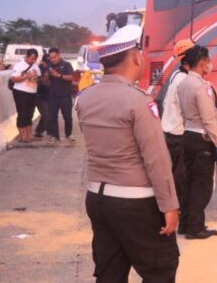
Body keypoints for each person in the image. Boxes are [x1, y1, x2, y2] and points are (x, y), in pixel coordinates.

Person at [75, 25, 180, 282]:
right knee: (159, 269)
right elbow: (156, 159)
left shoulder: (84, 98)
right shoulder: (139, 101)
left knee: (110, 271)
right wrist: (169, 204)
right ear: (134, 57)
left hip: (97, 199)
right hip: (135, 202)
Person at [177, 45, 217, 240]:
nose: (210, 65)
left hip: (188, 135)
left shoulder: (184, 83)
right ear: (202, 63)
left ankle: (185, 224)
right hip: (201, 139)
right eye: (208, 61)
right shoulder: (202, 86)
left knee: (189, 182)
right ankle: (195, 228)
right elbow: (208, 119)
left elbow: (183, 113)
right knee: (202, 186)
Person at [161, 39, 195, 234]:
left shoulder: (177, 76)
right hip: (177, 135)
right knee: (179, 178)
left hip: (170, 133)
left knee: (173, 176)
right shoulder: (184, 80)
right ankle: (176, 214)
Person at [11, 48, 41, 143]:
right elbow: (14, 79)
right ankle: (22, 135)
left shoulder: (35, 66)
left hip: (32, 92)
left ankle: (29, 134)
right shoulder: (19, 65)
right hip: (20, 92)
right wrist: (27, 77)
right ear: (27, 56)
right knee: (22, 113)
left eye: (35, 59)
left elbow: (39, 78)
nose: (33, 60)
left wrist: (35, 78)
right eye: (32, 58)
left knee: (30, 113)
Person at [46, 48, 75, 143]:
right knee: (52, 116)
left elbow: (72, 77)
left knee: (67, 116)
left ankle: (69, 134)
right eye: (51, 58)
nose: (52, 59)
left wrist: (59, 75)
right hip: (52, 95)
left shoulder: (66, 65)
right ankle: (55, 136)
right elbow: (45, 82)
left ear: (59, 55)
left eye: (54, 57)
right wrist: (46, 75)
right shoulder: (49, 66)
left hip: (65, 95)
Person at [33, 54, 51, 139]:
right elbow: (38, 81)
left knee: (47, 114)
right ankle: (49, 132)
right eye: (46, 62)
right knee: (46, 114)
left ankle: (39, 131)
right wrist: (45, 78)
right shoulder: (38, 69)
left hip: (48, 95)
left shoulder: (51, 67)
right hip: (39, 95)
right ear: (42, 61)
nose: (48, 64)